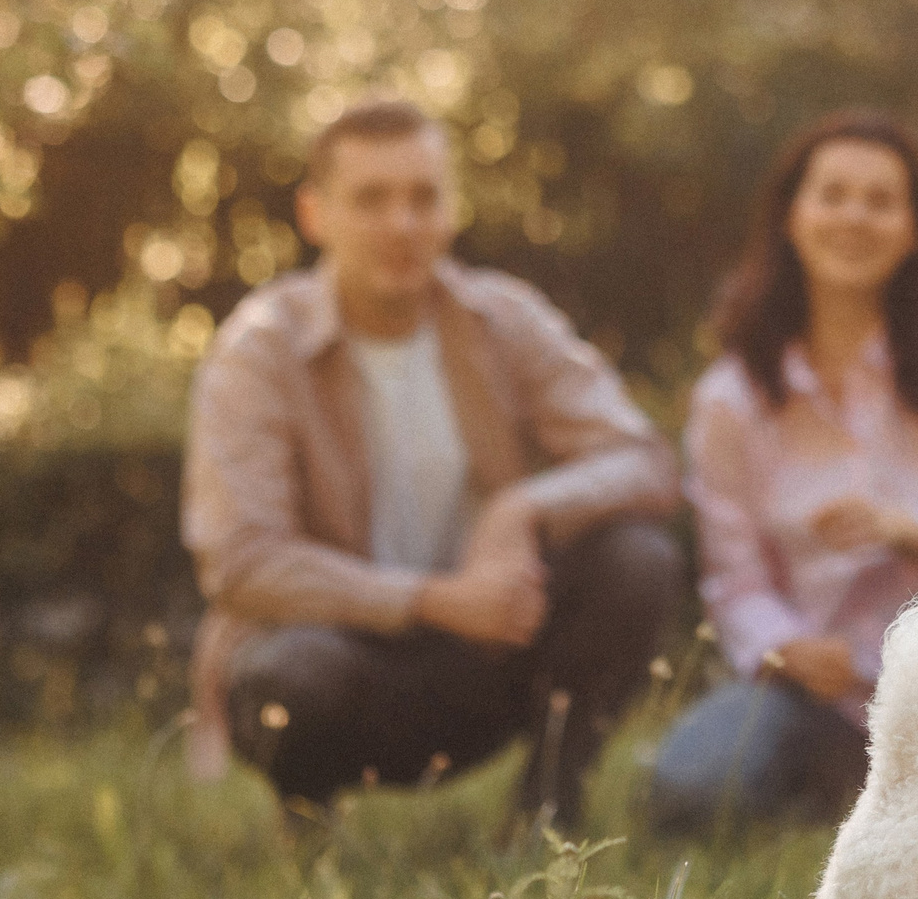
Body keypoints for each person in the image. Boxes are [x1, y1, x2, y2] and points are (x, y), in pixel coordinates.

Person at [182, 98, 681, 827]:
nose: (402, 225)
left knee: (637, 559)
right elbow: (241, 562)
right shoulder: (258, 348)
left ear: (452, 211)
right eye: (372, 200)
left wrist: (525, 508)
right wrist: (430, 599)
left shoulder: (506, 318)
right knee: (287, 675)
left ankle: (546, 820)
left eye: (423, 198)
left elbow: (642, 457)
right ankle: (308, 825)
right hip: (342, 664)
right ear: (315, 214)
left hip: (486, 654)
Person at [651, 108, 918, 830]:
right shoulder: (731, 397)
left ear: (915, 228)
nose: (854, 216)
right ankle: (847, 785)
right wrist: (786, 648)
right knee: (686, 788)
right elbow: (734, 578)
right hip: (813, 690)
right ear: (792, 217)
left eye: (880, 200)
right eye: (832, 195)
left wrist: (910, 526)